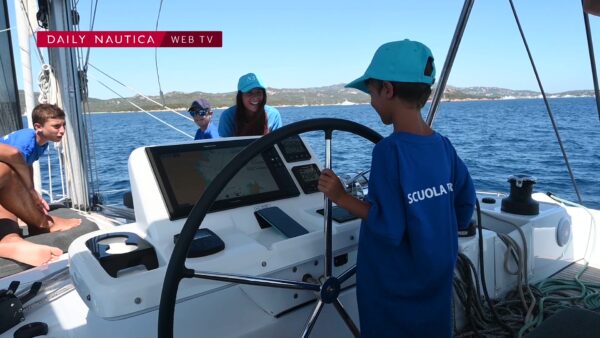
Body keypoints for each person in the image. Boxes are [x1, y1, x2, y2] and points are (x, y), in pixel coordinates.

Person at [318, 40, 476, 338]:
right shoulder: (443, 146)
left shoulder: (389, 152)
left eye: (372, 93)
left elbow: (389, 227)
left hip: (393, 288)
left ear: (388, 90)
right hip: (436, 278)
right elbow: (465, 205)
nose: (370, 101)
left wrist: (340, 196)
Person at [0, 103, 81, 266]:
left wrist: (34, 192)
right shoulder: (27, 141)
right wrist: (30, 190)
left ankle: (10, 241)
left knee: (8, 208)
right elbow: (15, 156)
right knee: (7, 178)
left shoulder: (41, 144)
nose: (62, 130)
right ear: (38, 127)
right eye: (56, 126)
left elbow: (26, 164)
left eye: (63, 125)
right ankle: (43, 223)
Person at [218, 73, 282, 137]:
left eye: (258, 92)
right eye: (249, 92)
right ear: (240, 96)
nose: (255, 97)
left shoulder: (273, 115)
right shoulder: (228, 116)